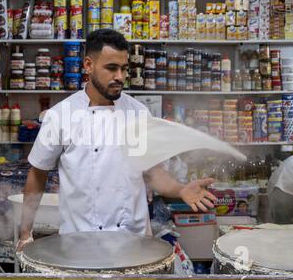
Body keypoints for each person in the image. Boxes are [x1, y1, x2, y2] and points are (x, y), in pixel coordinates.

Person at [17, 29, 217, 251]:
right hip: (79, 244)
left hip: (132, 241)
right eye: (111, 68)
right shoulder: (60, 115)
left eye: (124, 69)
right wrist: (26, 233)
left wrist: (180, 190)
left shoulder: (138, 113)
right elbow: (37, 174)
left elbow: (153, 173)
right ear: (88, 65)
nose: (120, 77)